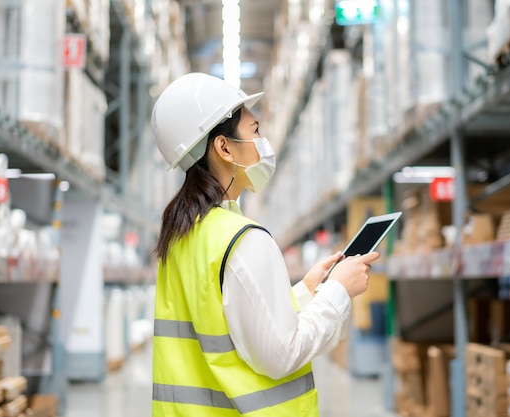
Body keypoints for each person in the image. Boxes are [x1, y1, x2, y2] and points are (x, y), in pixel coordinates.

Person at [150, 72, 380, 417]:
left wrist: (307, 291)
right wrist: (339, 292)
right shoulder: (243, 240)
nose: (263, 142)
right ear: (224, 147)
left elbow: (234, 325)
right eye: (255, 131)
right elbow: (280, 355)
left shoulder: (186, 236)